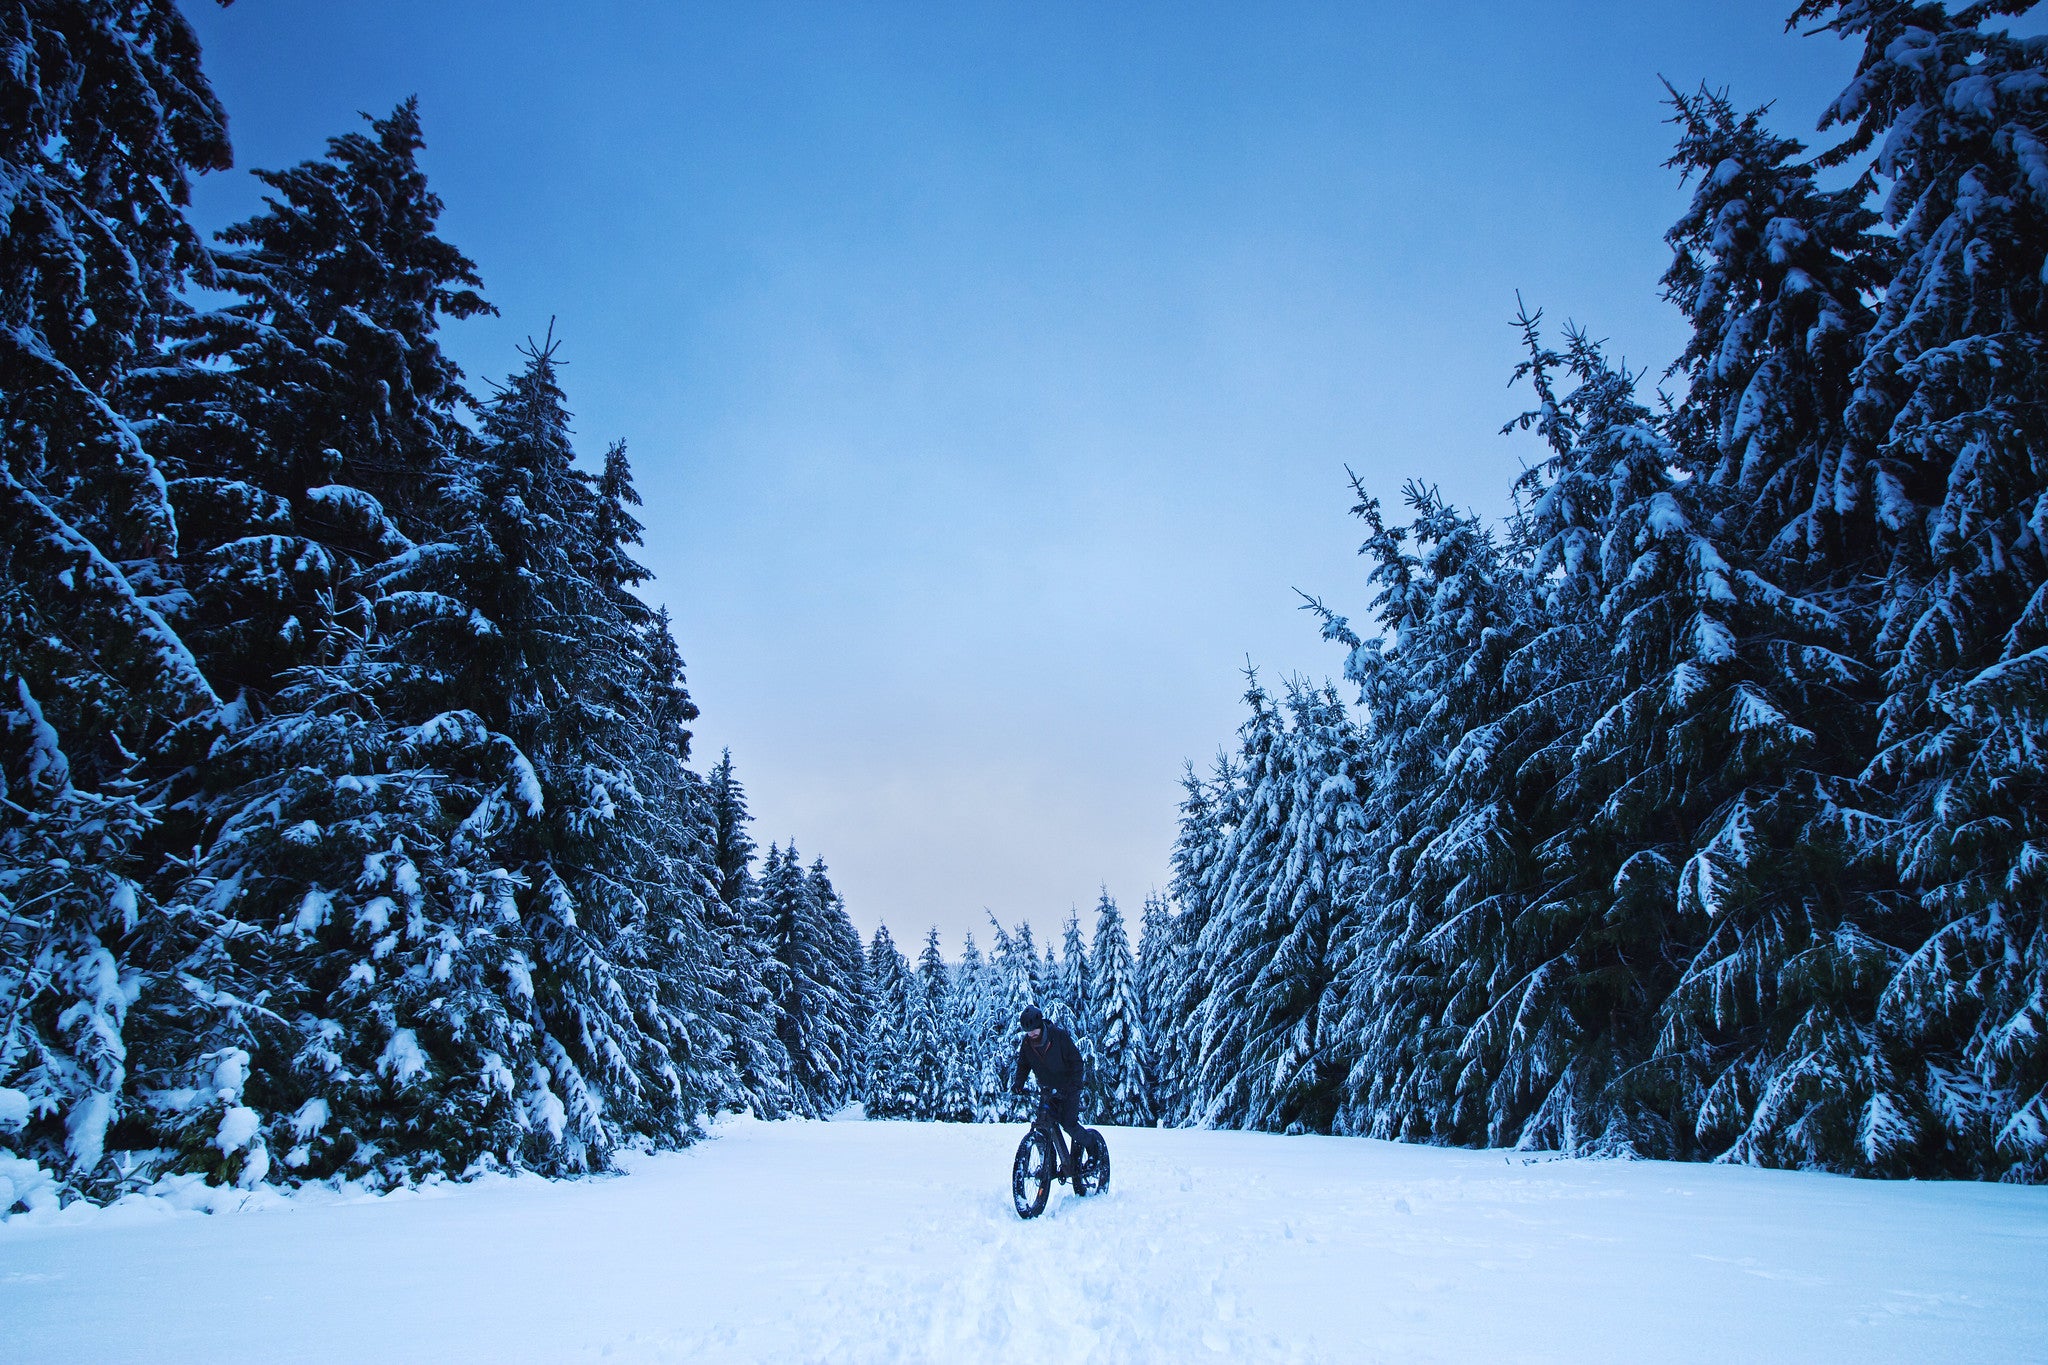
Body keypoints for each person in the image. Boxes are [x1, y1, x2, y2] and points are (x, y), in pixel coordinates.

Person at [1011, 1005, 1087, 1177]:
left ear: (1041, 1025)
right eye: (1028, 1032)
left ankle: (1095, 1151)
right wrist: (1018, 1084)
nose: (1032, 1035)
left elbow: (1077, 1061)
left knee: (1069, 1125)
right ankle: (1048, 1168)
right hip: (1047, 1090)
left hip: (1068, 1089)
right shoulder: (1027, 1043)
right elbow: (1023, 1065)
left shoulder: (1058, 1036)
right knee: (1043, 1125)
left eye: (1034, 1031)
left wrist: (1075, 1084)